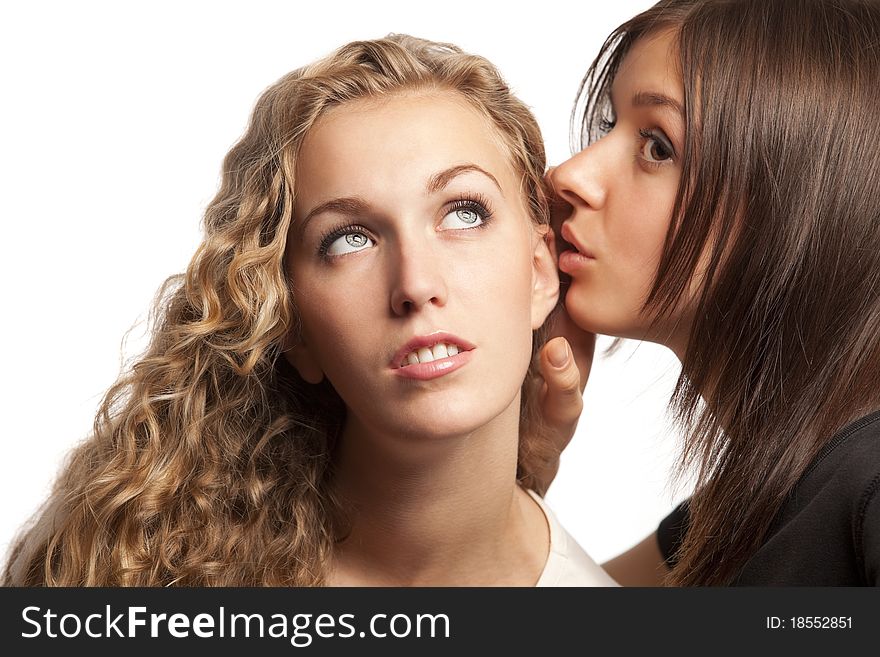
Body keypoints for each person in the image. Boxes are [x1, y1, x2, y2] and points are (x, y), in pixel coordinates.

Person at [2, 34, 614, 587]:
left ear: (539, 271)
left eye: (463, 213)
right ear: (291, 323)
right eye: (349, 238)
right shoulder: (134, 575)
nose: (416, 284)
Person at [545, 0, 880, 585]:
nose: (570, 174)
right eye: (608, 125)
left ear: (797, 205)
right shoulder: (745, 508)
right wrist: (520, 469)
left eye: (657, 146)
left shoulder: (865, 484)